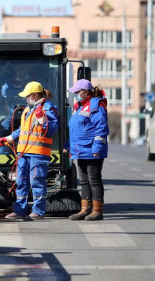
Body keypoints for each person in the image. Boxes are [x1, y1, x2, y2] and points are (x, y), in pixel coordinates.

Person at [0, 81, 59, 220]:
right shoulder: (28, 109)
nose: (25, 98)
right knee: (21, 181)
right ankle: (20, 210)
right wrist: (7, 138)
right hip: (23, 153)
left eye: (27, 95)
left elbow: (52, 129)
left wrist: (42, 119)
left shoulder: (48, 109)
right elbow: (22, 130)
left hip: (38, 153)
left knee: (37, 182)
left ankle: (38, 211)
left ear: (35, 95)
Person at [64, 79, 109, 221]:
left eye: (78, 91)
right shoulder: (79, 107)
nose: (76, 94)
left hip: (91, 149)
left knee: (93, 179)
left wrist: (97, 147)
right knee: (83, 180)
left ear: (86, 91)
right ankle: (85, 209)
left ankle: (97, 210)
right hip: (80, 149)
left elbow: (101, 128)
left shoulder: (95, 105)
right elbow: (75, 130)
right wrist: (68, 146)